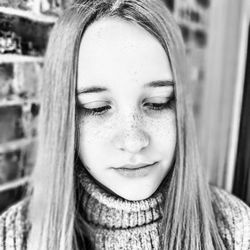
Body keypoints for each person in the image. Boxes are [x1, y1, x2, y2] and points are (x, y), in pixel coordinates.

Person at [0, 0, 250, 249]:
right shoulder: (10, 237)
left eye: (157, 102)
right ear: (64, 116)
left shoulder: (237, 228)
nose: (133, 142)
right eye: (97, 107)